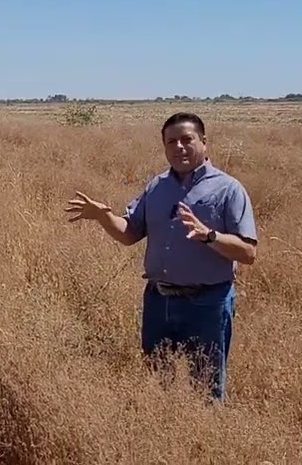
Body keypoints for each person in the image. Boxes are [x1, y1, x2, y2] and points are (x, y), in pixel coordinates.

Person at [65, 111, 258, 404]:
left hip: (207, 304)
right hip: (159, 301)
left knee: (206, 388)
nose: (179, 147)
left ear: (204, 142)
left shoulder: (228, 189)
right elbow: (130, 233)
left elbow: (248, 252)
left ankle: (205, 442)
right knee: (157, 384)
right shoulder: (157, 186)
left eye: (187, 139)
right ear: (164, 146)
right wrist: (103, 217)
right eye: (171, 142)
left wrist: (210, 236)